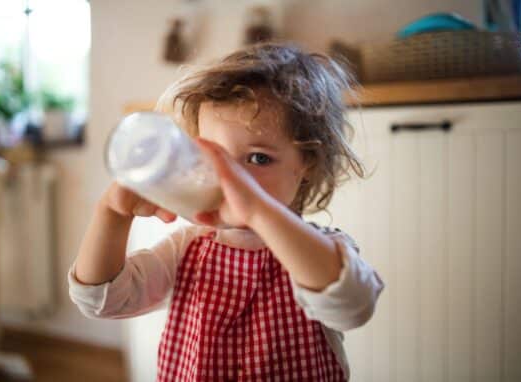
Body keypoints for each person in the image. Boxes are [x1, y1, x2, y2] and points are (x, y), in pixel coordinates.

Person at [68, 42, 384, 381]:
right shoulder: (185, 251)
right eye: (213, 156)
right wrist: (111, 215)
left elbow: (353, 306)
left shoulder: (322, 253)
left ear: (307, 162)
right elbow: (101, 300)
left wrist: (258, 212)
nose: (231, 179)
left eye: (258, 158)